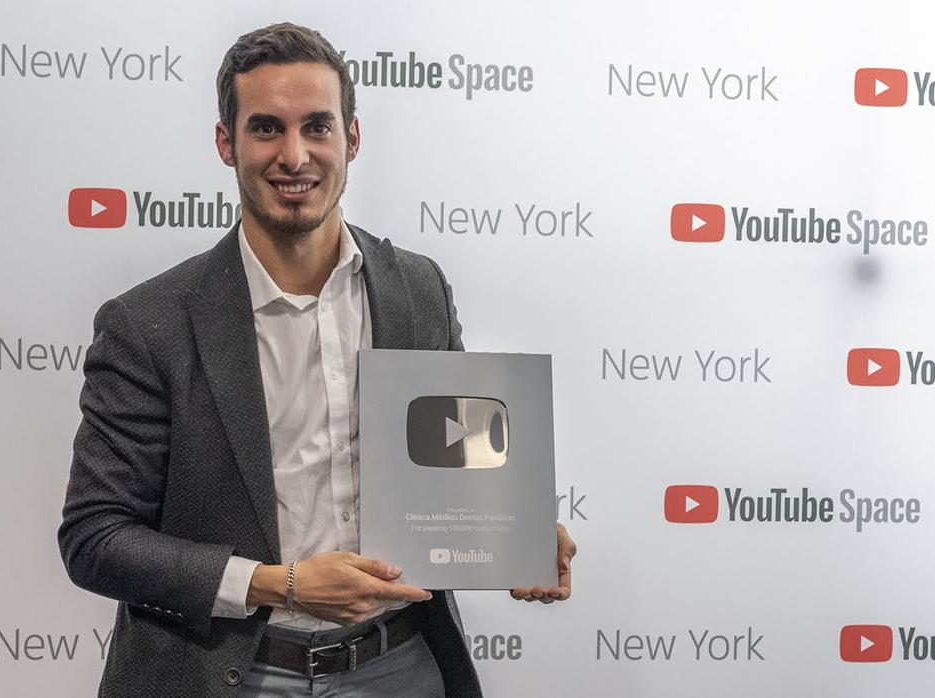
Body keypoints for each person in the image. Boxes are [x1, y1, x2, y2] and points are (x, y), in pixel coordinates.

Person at [58, 22, 576, 697]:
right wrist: (280, 586)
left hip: (401, 668)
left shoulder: (418, 290)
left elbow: (459, 470)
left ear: (351, 139)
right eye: (267, 128)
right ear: (227, 143)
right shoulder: (149, 324)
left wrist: (514, 534)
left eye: (318, 128)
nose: (294, 155)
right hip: (225, 674)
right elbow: (95, 537)